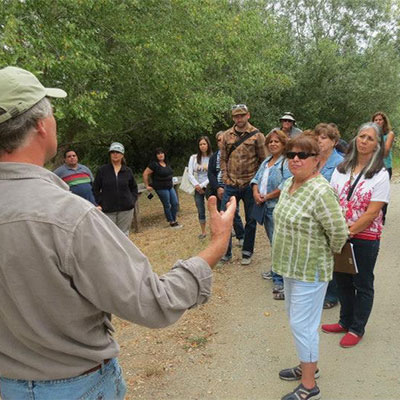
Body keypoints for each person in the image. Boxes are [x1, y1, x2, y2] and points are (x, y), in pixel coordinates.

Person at [0, 66, 236, 400]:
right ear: (41, 125)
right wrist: (217, 242)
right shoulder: (69, 217)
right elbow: (154, 303)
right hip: (76, 387)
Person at [272, 135, 348, 400]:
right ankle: (308, 367)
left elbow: (339, 233)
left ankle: (308, 385)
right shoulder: (288, 183)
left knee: (303, 325)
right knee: (298, 322)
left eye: (302, 155)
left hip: (310, 269)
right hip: (289, 267)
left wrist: (322, 254)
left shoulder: (321, 191)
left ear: (316, 160)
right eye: (291, 154)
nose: (295, 159)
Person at [322, 122, 390, 348]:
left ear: (377, 145)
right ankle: (344, 321)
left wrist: (347, 232)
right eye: (361, 136)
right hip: (340, 235)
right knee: (342, 280)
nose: (364, 141)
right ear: (355, 139)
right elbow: (331, 199)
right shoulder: (341, 169)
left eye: (370, 138)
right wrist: (335, 231)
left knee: (362, 282)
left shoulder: (380, 174)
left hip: (364, 238)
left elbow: (372, 213)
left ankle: (357, 327)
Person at [220, 104, 267, 265]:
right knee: (225, 218)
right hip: (231, 184)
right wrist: (225, 177)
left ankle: (247, 251)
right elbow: (223, 158)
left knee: (251, 220)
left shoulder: (257, 136)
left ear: (248, 115)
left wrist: (257, 182)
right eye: (236, 116)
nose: (239, 119)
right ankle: (225, 253)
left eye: (242, 115)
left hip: (249, 184)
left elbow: (264, 160)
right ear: (233, 118)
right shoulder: (227, 135)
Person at [251, 129, 291, 299]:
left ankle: (280, 280)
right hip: (264, 207)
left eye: (277, 141)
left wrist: (267, 196)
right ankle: (276, 270)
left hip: (277, 207)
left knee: (278, 243)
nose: (273, 144)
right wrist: (255, 193)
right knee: (273, 241)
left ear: (283, 144)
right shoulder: (266, 161)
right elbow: (255, 179)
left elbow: (287, 184)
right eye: (271, 142)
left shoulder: (286, 162)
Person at [314, 123, 344, 310]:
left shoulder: (341, 163)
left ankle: (333, 293)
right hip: (313, 213)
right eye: (317, 137)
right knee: (318, 253)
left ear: (334, 142)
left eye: (324, 137)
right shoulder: (312, 160)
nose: (319, 140)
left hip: (332, 212)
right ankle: (320, 289)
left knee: (333, 255)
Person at [93, 142, 138, 236]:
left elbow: (134, 188)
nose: (115, 154)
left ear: (122, 155)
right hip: (108, 209)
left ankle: (124, 251)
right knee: (110, 235)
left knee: (124, 235)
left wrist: (131, 201)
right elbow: (95, 189)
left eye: (117, 152)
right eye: (112, 152)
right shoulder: (102, 170)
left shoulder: (127, 171)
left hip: (126, 209)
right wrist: (100, 202)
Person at [208, 131, 244, 245]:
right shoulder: (213, 157)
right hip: (217, 188)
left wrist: (226, 186)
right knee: (220, 214)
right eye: (219, 140)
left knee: (234, 213)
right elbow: (211, 173)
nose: (221, 142)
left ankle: (241, 236)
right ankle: (223, 241)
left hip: (230, 187)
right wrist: (218, 188)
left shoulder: (234, 154)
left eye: (223, 139)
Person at [143, 147, 181, 228]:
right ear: (156, 155)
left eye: (162, 153)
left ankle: (174, 219)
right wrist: (147, 185)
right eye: (158, 154)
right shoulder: (154, 164)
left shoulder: (166, 163)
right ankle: (171, 221)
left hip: (170, 186)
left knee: (175, 203)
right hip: (160, 188)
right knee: (167, 204)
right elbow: (145, 174)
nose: (160, 155)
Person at [371, 111, 395, 223]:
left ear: (384, 121)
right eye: (376, 120)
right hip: (372, 166)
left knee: (382, 192)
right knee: (371, 191)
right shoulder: (371, 134)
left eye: (380, 119)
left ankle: (382, 217)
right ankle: (372, 214)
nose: (378, 122)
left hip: (385, 166)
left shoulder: (389, 134)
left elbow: (385, 151)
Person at [188, 136, 212, 239]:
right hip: (197, 187)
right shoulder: (193, 158)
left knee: (213, 208)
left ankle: (217, 229)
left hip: (209, 186)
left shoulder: (212, 157)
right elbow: (189, 173)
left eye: (204, 144)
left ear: (208, 145)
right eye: (200, 144)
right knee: (200, 209)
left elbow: (213, 174)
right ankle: (203, 232)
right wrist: (197, 185)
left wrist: (203, 185)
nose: (202, 146)